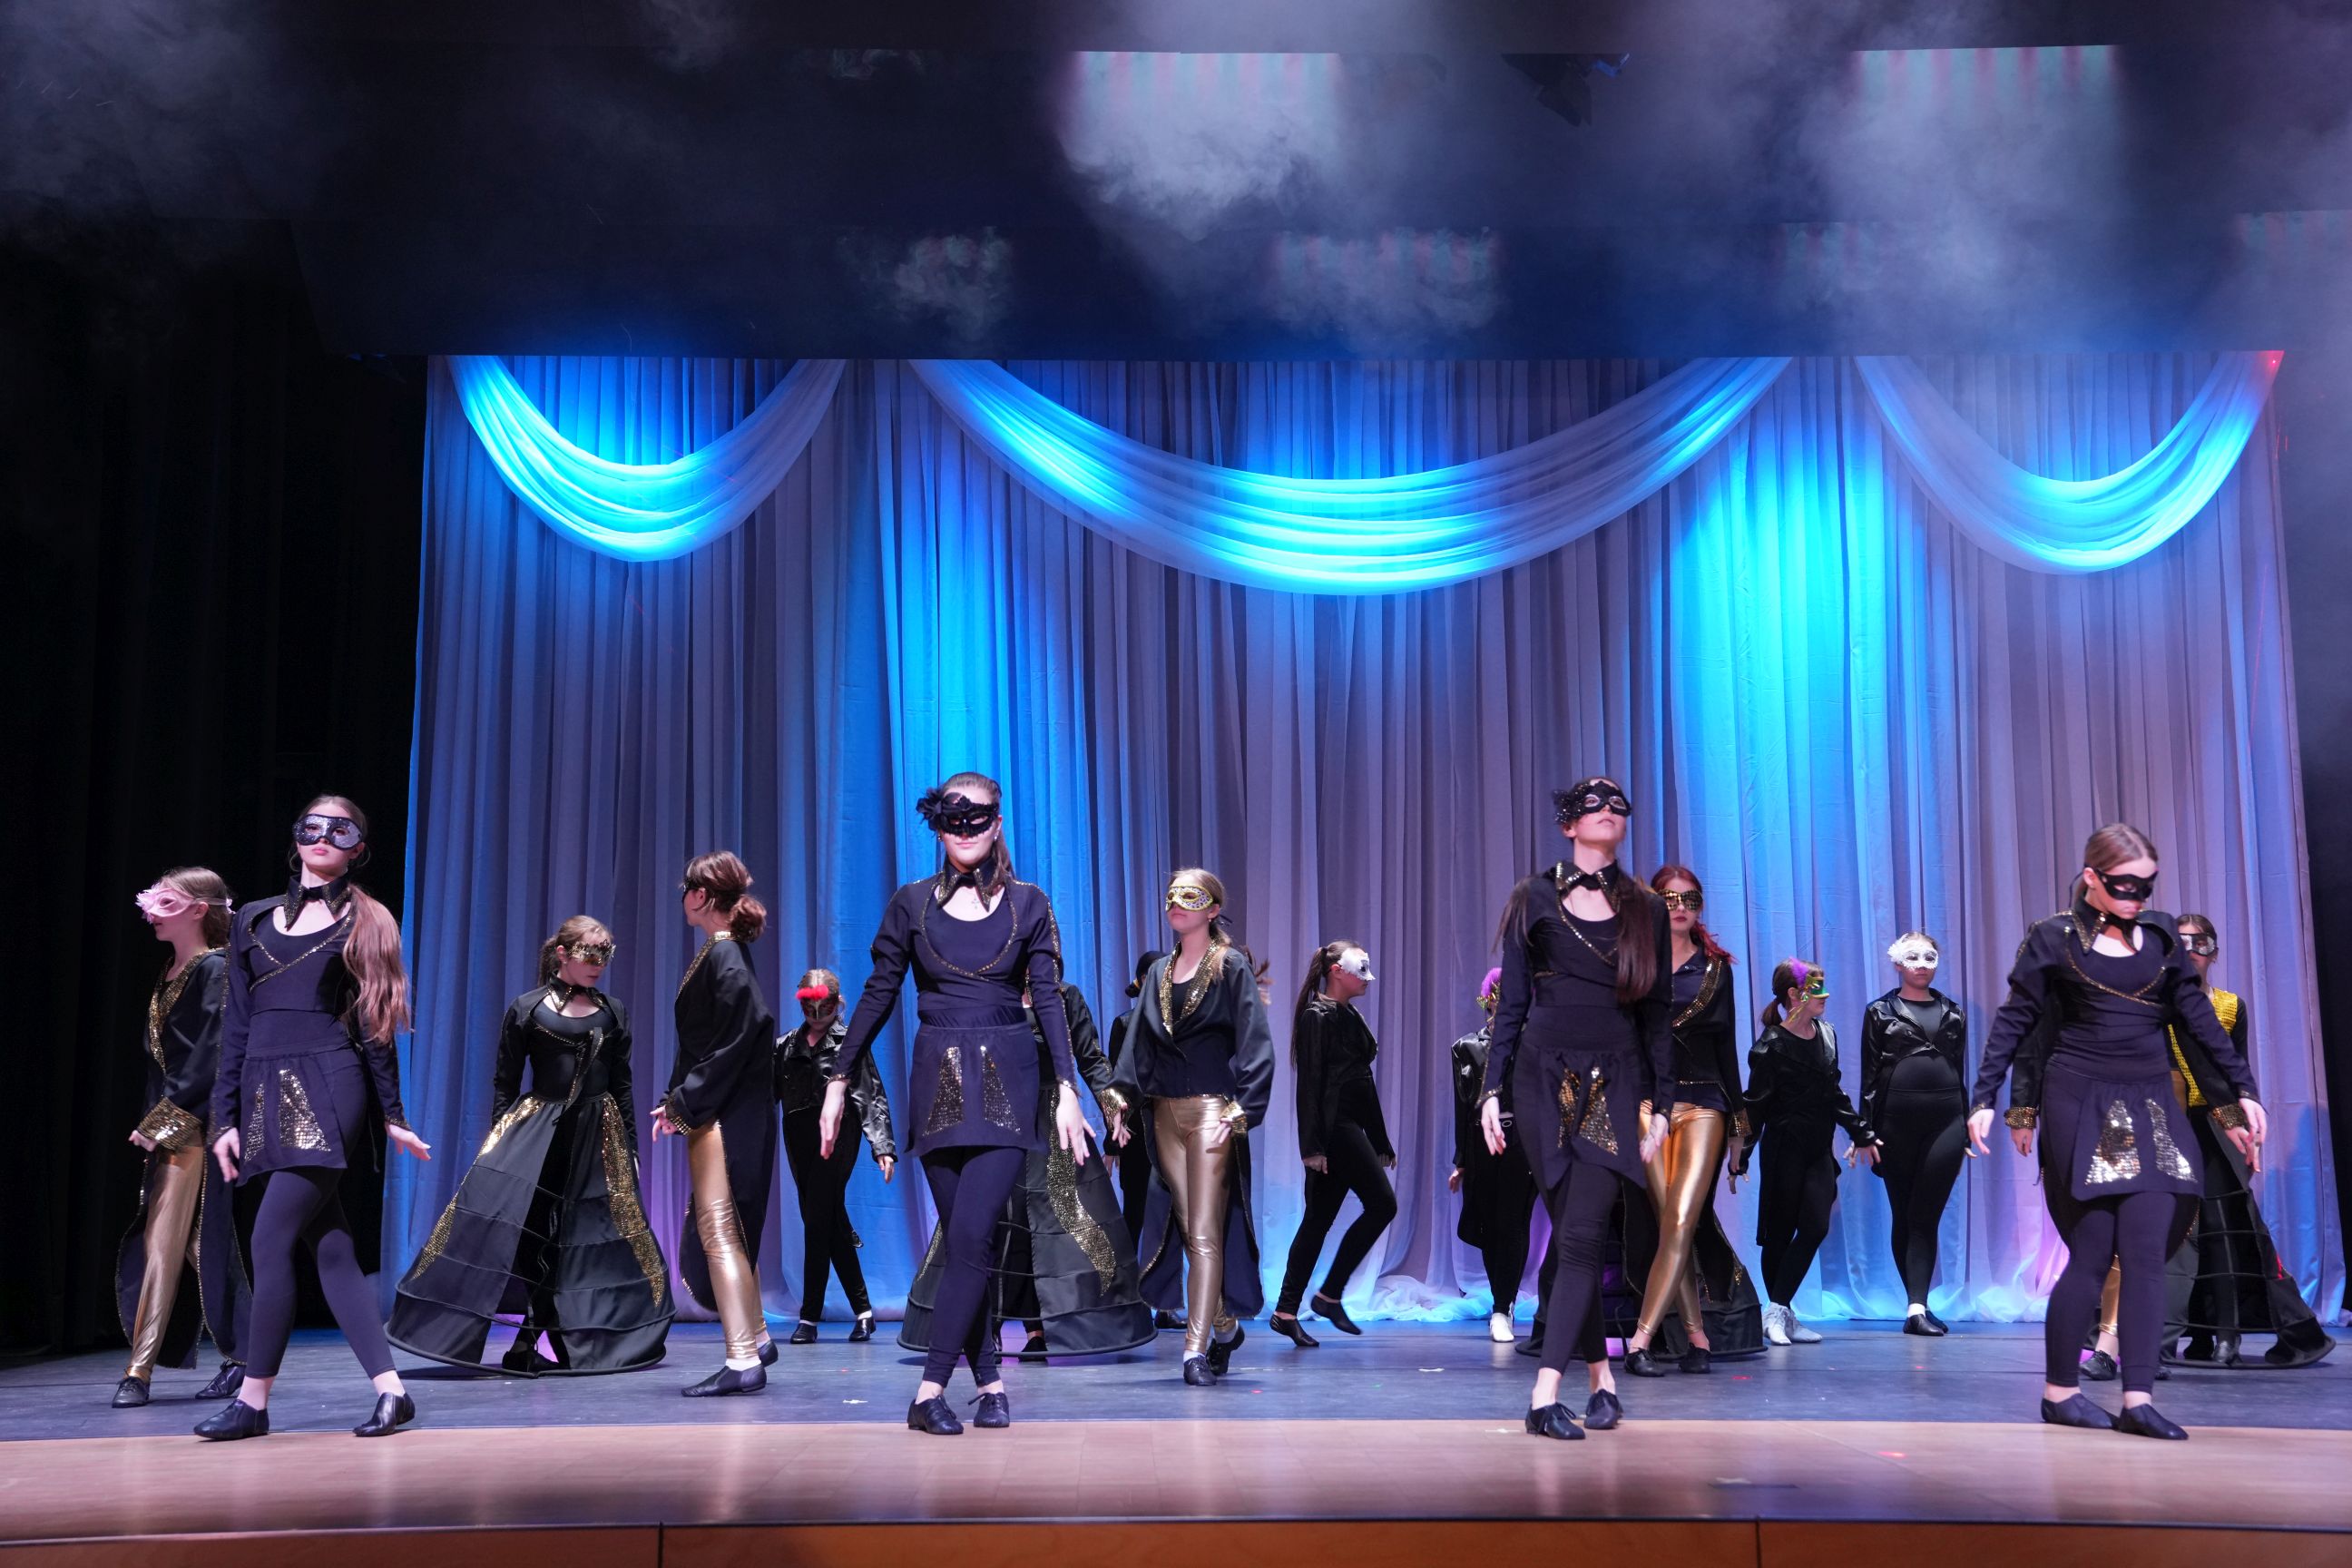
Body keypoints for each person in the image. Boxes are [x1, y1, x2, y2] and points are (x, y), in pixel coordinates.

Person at [1969, 824, 2268, 1439]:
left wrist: (2243, 1091)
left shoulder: (2161, 938)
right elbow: (2017, 1022)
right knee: (2092, 1250)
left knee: (2147, 1252)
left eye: (2146, 886)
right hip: (2080, 1098)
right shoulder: (2054, 938)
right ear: (2092, 878)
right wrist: (1986, 1098)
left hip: (2152, 1099)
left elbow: (2199, 1023)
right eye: (2124, 885)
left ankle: (2138, 1400)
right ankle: (2060, 1393)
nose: (2136, 897)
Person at [821, 773, 1092, 1435]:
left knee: (972, 1237)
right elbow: (879, 993)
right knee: (969, 1244)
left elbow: (1049, 998)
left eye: (977, 821)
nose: (964, 832)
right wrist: (837, 1079)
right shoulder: (911, 904)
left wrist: (1067, 1087)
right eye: (952, 821)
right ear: (937, 827)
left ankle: (928, 1390)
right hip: (938, 1082)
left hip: (1007, 1084)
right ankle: (991, 1382)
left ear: (997, 824)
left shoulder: (1029, 904)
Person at [197, 798, 432, 1440]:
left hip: (329, 1084)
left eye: (341, 829)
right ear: (296, 835)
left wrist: (393, 1114)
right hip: (262, 1088)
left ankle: (252, 1402)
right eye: (313, 825)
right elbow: (236, 1027)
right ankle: (392, 1392)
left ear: (359, 848)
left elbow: (376, 1027)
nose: (324, 835)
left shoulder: (364, 920)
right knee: (330, 1248)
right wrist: (224, 1119)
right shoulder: (251, 919)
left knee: (270, 1239)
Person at [389, 916, 671, 1375]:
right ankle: (528, 1339)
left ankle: (557, 1341)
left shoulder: (613, 1011)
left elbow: (621, 1085)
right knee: (534, 1233)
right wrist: (499, 1146)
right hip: (539, 1134)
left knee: (585, 1237)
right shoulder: (527, 1008)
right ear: (562, 954)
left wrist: (632, 1149)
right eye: (590, 953)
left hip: (596, 1141)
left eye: (606, 954)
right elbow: (505, 1082)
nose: (599, 963)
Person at [1480, 778, 1672, 1440]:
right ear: (1568, 824)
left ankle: (1543, 1395)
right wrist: (1490, 1090)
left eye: (1620, 804)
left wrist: (1662, 1104)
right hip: (1541, 1078)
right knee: (1572, 1235)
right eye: (1595, 803)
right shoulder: (1532, 896)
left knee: (1584, 1233)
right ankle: (1602, 1379)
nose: (1610, 811)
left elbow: (1657, 1015)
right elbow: (1511, 1005)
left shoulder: (1646, 908)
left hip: (1613, 1080)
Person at [901, 980, 1152, 1361]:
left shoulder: (1063, 998)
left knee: (1051, 1228)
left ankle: (1039, 1330)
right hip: (996, 1121)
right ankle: (984, 1329)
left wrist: (1112, 1102)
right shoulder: (991, 993)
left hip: (1052, 1124)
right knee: (991, 1223)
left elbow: (1089, 1058)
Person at [1113, 867, 1276, 1386]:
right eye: (1171, 897)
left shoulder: (1229, 966)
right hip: (1163, 1114)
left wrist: (1244, 1106)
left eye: (1190, 896)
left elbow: (1256, 1041)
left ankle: (1193, 1350)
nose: (1176, 904)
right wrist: (1120, 1100)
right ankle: (1224, 1326)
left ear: (1212, 909)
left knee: (1204, 1232)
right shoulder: (1161, 972)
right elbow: (1137, 1043)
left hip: (1211, 1113)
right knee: (1187, 1231)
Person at [2157, 913, 2328, 1367]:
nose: (2192, 951)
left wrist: (2245, 1124)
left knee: (2224, 1229)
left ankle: (2226, 1334)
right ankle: (2172, 1334)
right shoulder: (2158, 1001)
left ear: (2214, 951)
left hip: (2220, 1124)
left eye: (2201, 943)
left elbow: (2237, 1070)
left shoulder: (2230, 1005)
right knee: (2173, 1229)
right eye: (2182, 942)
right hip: (2170, 1122)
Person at [114, 869, 250, 1407]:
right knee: (197, 1242)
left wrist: (163, 1121)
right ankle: (246, 1356)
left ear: (198, 910)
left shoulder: (214, 967)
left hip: (195, 1122)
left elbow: (211, 1052)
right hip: (174, 1120)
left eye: (166, 902)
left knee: (162, 1241)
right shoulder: (172, 969)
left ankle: (138, 1370)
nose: (151, 911)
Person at [1621, 866, 1759, 1372]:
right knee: (1668, 1224)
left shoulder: (1717, 968)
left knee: (1681, 1218)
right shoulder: (1635, 962)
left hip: (1705, 1102)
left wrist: (1740, 1128)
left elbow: (1727, 1047)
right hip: (1645, 1103)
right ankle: (1697, 1338)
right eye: (1670, 899)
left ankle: (1640, 1341)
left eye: (1690, 899)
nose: (1680, 907)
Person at [652, 852, 779, 1397]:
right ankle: (757, 1337)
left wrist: (685, 1100)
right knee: (729, 1230)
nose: (682, 897)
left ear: (701, 895)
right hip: (728, 1112)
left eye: (685, 888)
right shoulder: (723, 952)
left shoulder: (724, 956)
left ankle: (742, 1357)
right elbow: (715, 1042)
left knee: (720, 1231)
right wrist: (678, 1100)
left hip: (728, 1117)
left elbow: (739, 1038)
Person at [1740, 957, 1878, 1347]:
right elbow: (1756, 1105)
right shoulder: (1771, 1045)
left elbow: (1834, 1093)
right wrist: (1741, 1155)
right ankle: (1781, 1313)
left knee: (1816, 1226)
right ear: (1794, 994)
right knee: (1779, 1233)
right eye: (1817, 988)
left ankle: (1777, 1309)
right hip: (1784, 1149)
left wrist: (1861, 1132)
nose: (1826, 995)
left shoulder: (1827, 1035)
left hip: (1818, 1149)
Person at [1272, 942, 1396, 1345]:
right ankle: (1328, 1295)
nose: (1367, 978)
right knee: (1382, 1204)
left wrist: (1379, 1139)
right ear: (1336, 970)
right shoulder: (1317, 1016)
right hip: (1333, 1130)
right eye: (1360, 969)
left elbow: (1362, 1084)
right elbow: (1310, 1084)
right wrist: (1311, 1147)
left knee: (1318, 1221)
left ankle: (1287, 1310)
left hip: (1347, 1127)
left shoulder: (1349, 1015)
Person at [776, 968, 895, 1345]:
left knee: (817, 1220)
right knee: (827, 1220)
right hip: (799, 1136)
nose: (815, 1014)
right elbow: (763, 1093)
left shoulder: (849, 1044)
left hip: (840, 1134)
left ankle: (809, 1317)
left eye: (823, 1006)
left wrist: (882, 1146)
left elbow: (870, 1094)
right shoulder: (786, 1046)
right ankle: (864, 1312)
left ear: (837, 1003)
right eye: (808, 1006)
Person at [1859, 932, 1969, 1338]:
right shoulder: (1879, 1011)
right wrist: (1864, 1131)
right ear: (1898, 963)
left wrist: (1967, 1126)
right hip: (1895, 1123)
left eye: (1929, 957)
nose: (1922, 964)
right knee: (1904, 1212)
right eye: (1913, 957)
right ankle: (1916, 1305)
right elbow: (1870, 1074)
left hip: (1947, 1121)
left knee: (1926, 1214)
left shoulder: (1953, 1012)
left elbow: (1960, 1069)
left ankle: (1917, 1307)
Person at [1451, 967, 1537, 1343]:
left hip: (1523, 1141)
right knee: (1487, 1225)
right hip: (1481, 1143)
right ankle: (1501, 1301)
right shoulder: (1466, 1047)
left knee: (1512, 1222)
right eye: (1499, 994)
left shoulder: (1534, 1042)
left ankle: (1503, 1306)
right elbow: (1461, 1106)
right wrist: (1460, 1162)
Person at [1103, 949, 1168, 1287]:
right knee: (1136, 1212)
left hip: (1172, 1131)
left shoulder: (1177, 1023)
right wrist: (1112, 1144)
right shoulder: (1125, 1024)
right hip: (1138, 1133)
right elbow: (1117, 1087)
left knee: (1171, 1217)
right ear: (1144, 979)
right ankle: (1125, 1292)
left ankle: (1164, 1299)